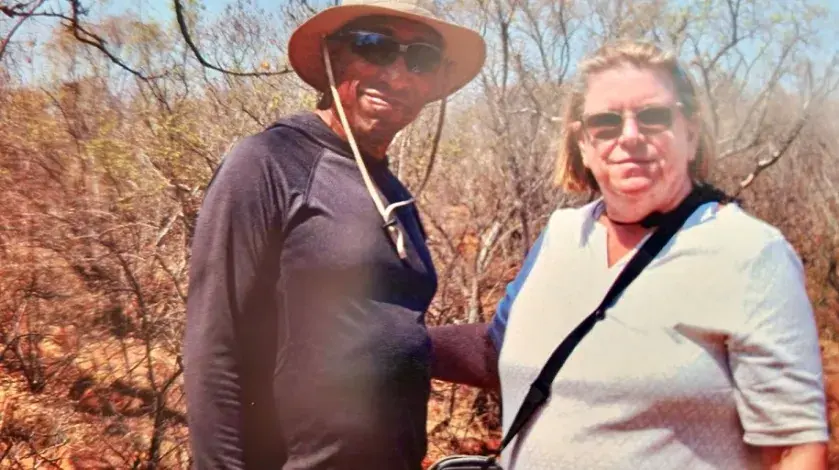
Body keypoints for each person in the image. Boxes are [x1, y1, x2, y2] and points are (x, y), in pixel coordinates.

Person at [429, 40, 829, 469]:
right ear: (583, 143)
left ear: (690, 135)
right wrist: (389, 343)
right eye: (605, 122)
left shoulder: (748, 252)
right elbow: (498, 349)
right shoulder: (561, 235)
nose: (630, 136)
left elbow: (793, 450)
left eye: (654, 117)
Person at [182, 0, 486, 467]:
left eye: (421, 58)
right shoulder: (270, 162)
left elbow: (380, 329)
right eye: (375, 46)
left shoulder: (393, 192)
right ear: (334, 57)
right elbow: (215, 348)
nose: (399, 76)